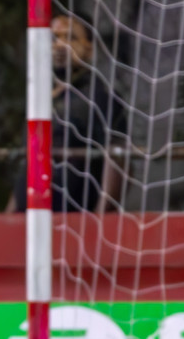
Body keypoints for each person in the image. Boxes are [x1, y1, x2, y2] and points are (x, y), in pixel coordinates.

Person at [8, 14, 123, 214]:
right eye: (53, 39)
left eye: (70, 38)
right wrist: (10, 214)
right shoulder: (40, 97)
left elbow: (118, 159)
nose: (59, 45)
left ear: (89, 49)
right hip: (29, 217)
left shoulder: (99, 97)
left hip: (72, 219)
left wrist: (101, 218)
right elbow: (27, 166)